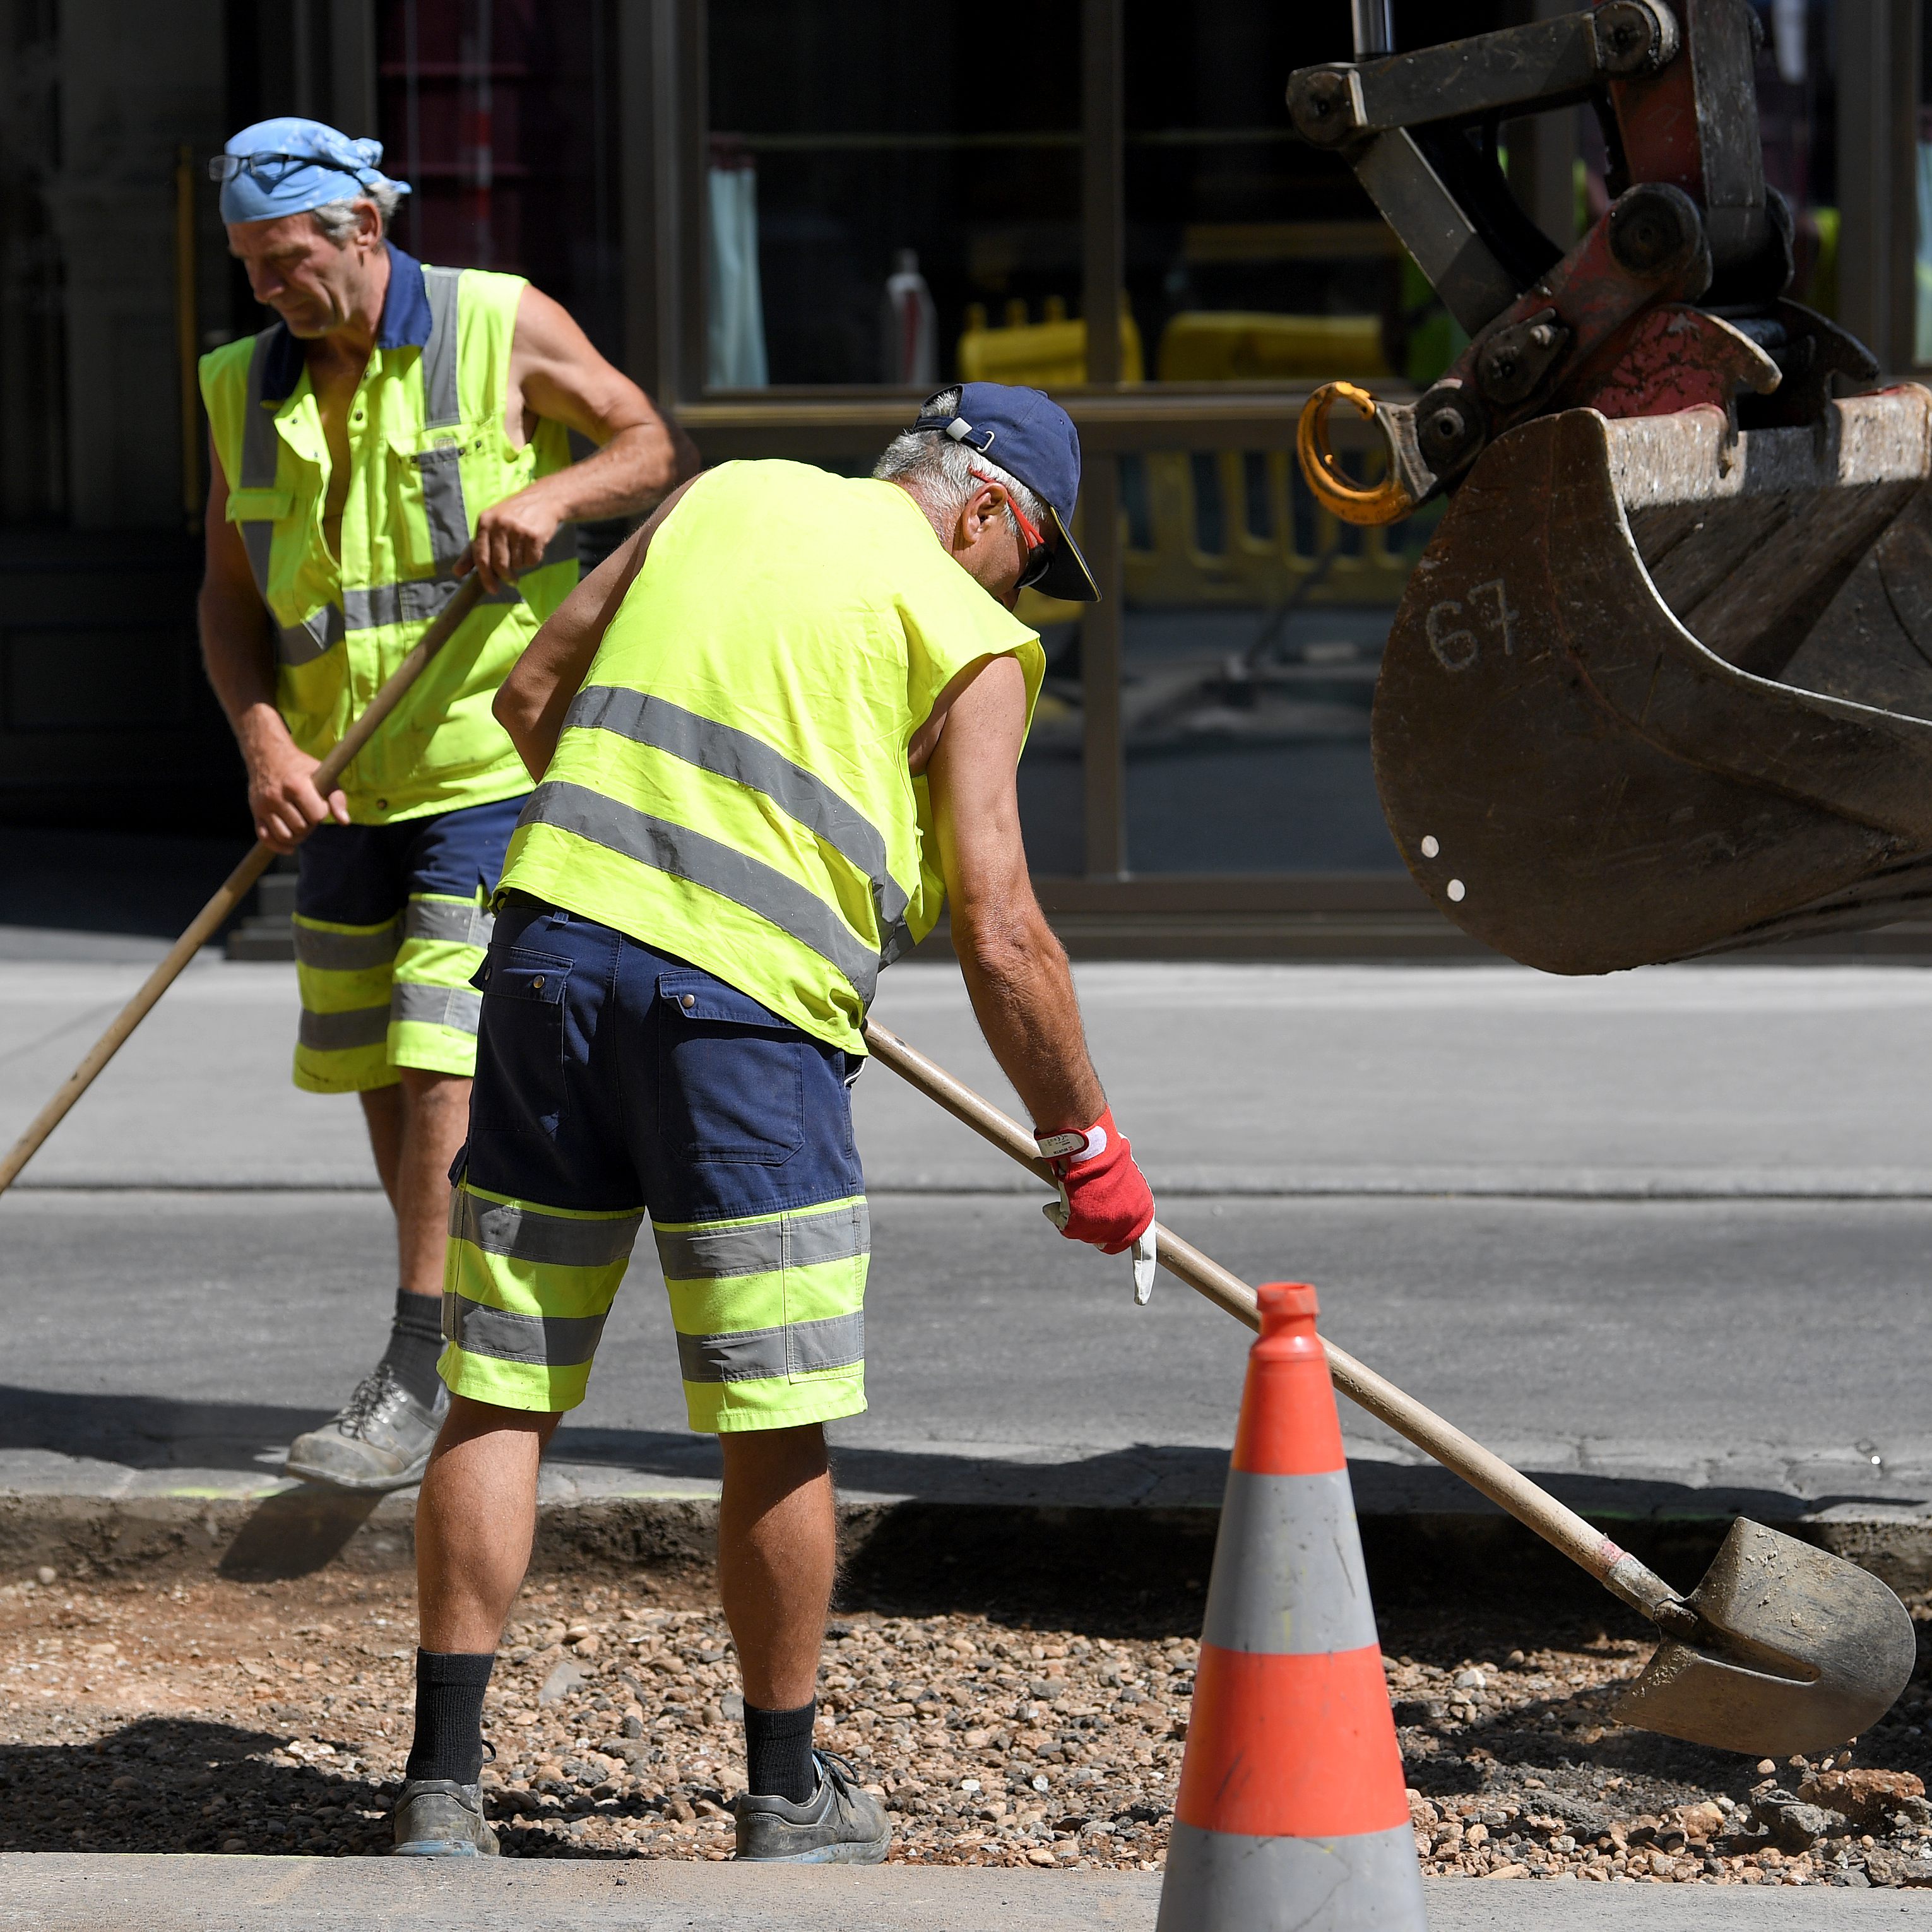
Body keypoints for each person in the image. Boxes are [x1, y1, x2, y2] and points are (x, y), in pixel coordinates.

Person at [389, 383, 1159, 1861]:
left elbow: (532, 693)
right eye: (1030, 560)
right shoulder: (973, 636)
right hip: (742, 1033)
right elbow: (1002, 926)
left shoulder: (720, 492)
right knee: (772, 1408)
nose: (1020, 595)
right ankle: (786, 1792)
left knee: (501, 1386)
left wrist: (648, 879)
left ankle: (439, 1786)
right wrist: (1089, 1146)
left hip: (548, 963)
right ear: (986, 509)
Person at [196, 118, 696, 1492]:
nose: (265, 290)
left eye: (285, 260)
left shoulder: (495, 322)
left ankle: (416, 1364)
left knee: (437, 1052)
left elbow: (647, 445)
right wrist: (262, 743)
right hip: (334, 782)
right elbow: (227, 598)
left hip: (484, 763)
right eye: (248, 267)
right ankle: (446, 1316)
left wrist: (557, 496)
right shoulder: (239, 384)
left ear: (363, 228)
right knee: (372, 1060)